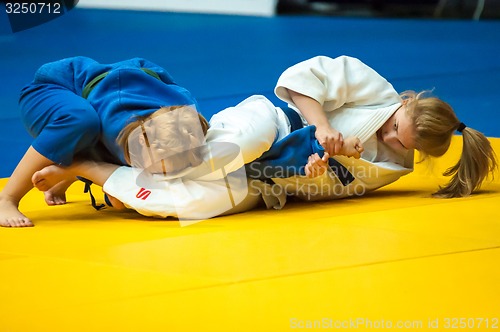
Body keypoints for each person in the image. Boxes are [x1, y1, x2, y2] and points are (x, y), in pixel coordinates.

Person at [249, 55, 497, 202]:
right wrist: (321, 126)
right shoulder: (371, 86)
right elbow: (300, 78)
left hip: (275, 177)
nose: (388, 137)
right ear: (406, 101)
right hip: (275, 125)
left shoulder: (394, 167)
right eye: (395, 125)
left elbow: (332, 190)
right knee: (237, 145)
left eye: (401, 143)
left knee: (216, 199)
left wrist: (315, 169)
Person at [0, 56, 208, 227]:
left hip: (133, 78)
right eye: (158, 170)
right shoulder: (114, 125)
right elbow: (116, 194)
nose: (159, 176)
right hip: (54, 86)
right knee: (79, 121)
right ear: (143, 142)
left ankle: (67, 174)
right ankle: (7, 198)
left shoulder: (190, 123)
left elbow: (119, 198)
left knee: (121, 182)